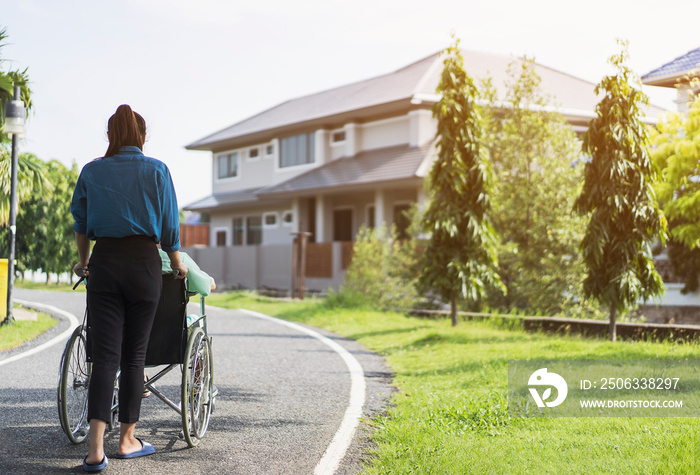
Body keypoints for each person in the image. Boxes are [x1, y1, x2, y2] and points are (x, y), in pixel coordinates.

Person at [71, 104, 188, 472]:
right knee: (133, 357)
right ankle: (126, 441)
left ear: (110, 136)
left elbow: (81, 220)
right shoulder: (157, 170)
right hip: (144, 265)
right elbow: (170, 225)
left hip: (104, 263)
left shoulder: (92, 170)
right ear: (142, 137)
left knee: (105, 357)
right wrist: (178, 261)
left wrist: (83, 260)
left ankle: (94, 450)